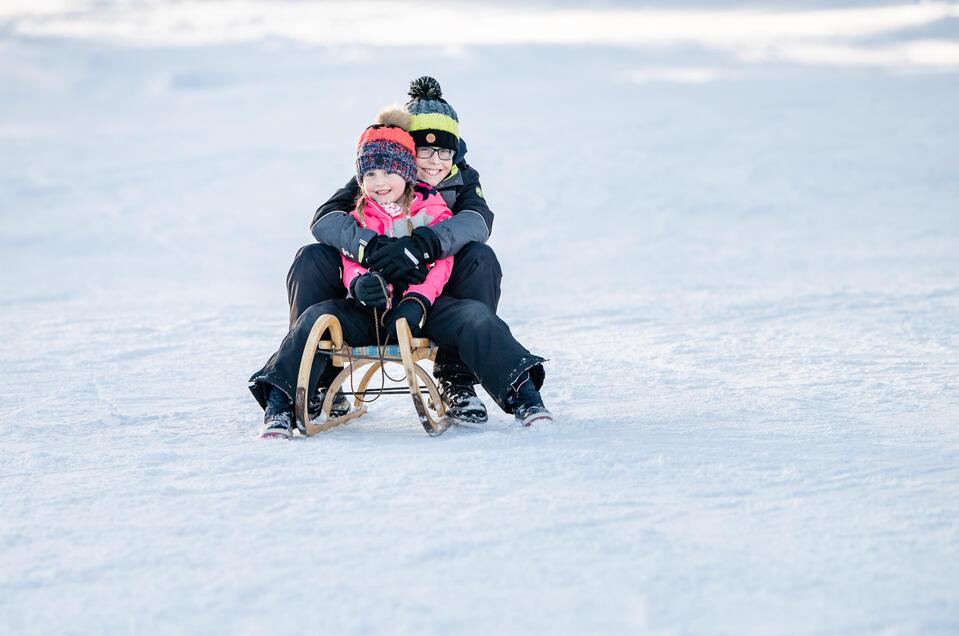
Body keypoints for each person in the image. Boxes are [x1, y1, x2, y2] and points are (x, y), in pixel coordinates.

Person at [249, 108, 551, 439]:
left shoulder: (436, 203)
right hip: (369, 313)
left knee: (476, 316)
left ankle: (519, 396)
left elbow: (449, 257)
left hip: (426, 309)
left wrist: (419, 292)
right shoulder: (361, 200)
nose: (380, 182)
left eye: (444, 151)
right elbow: (340, 245)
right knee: (316, 314)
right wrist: (360, 277)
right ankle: (285, 400)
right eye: (424, 151)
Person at [286, 77, 499, 425]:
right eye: (421, 150)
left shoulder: (463, 178)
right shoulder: (379, 175)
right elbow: (325, 220)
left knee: (480, 258)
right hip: (371, 292)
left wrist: (425, 245)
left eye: (443, 151)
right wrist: (369, 247)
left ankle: (456, 377)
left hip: (432, 289)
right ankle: (319, 378)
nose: (433, 162)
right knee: (311, 257)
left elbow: (477, 221)